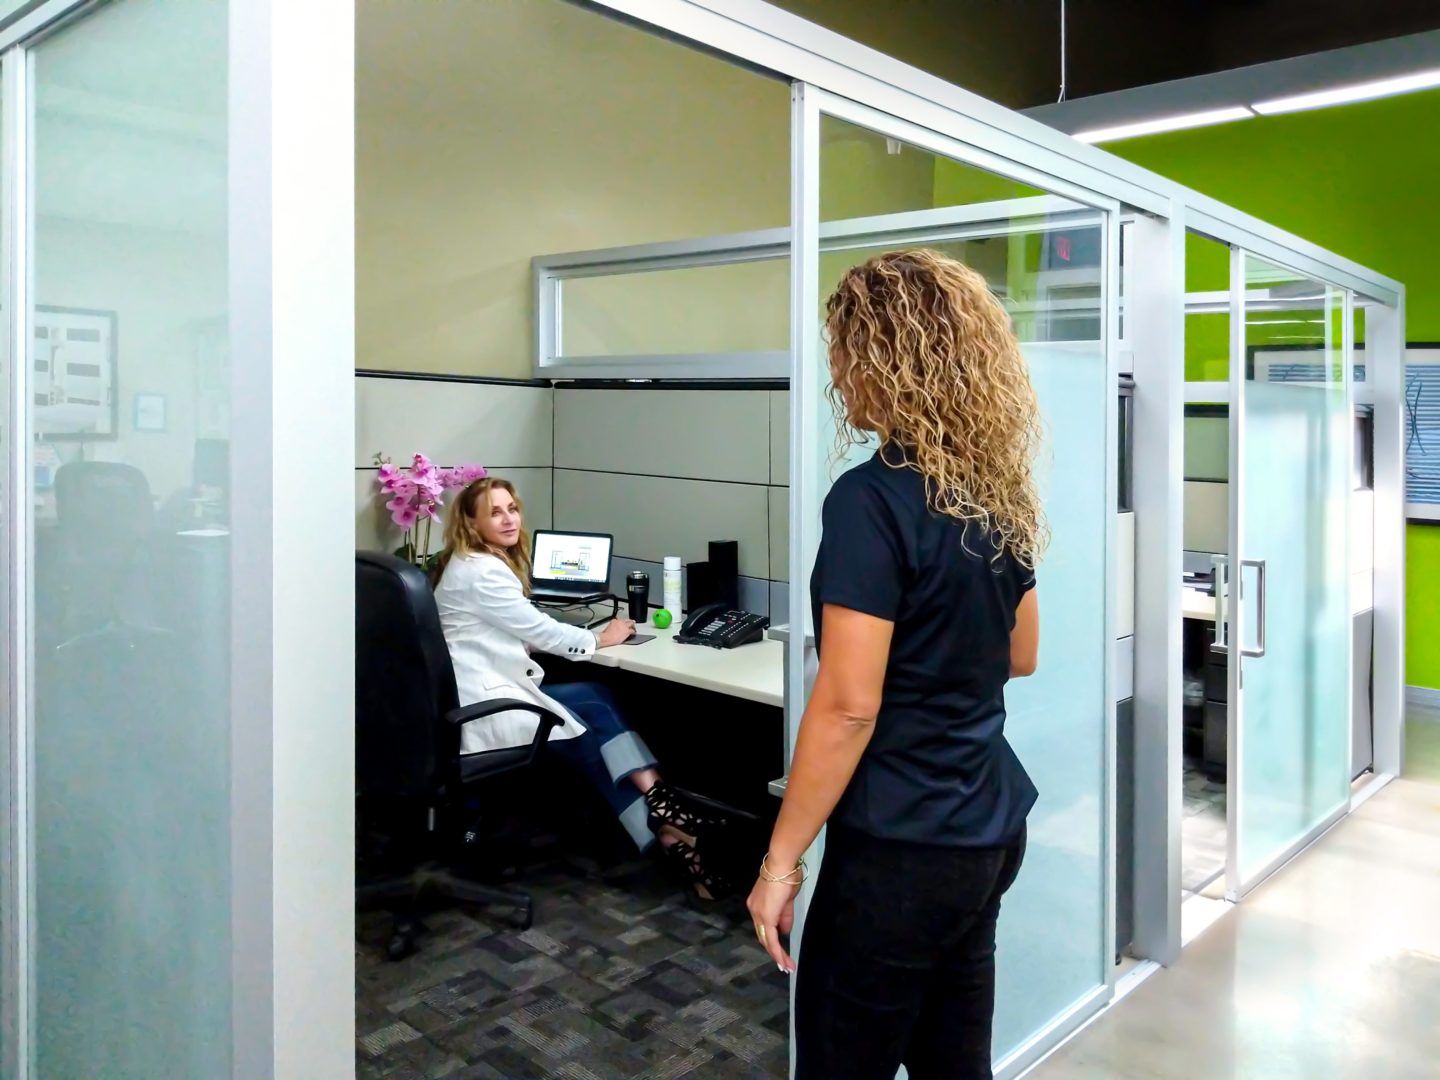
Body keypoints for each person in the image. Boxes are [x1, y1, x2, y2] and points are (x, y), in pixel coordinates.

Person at [746, 249, 1044, 1079]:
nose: (839, 379)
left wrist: (780, 865)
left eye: (845, 353)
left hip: (901, 849)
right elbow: (1021, 655)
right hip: (987, 827)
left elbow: (847, 706)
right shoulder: (993, 493)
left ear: (886, 358)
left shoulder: (870, 500)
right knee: (955, 1059)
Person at [433, 476, 728, 898]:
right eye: (494, 512)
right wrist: (598, 638)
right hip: (487, 705)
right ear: (472, 522)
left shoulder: (468, 563)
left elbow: (512, 626)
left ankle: (665, 813)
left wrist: (561, 634)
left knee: (595, 696)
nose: (508, 518)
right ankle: (667, 823)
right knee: (591, 730)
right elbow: (542, 632)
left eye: (512, 508)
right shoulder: (483, 572)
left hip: (480, 691)